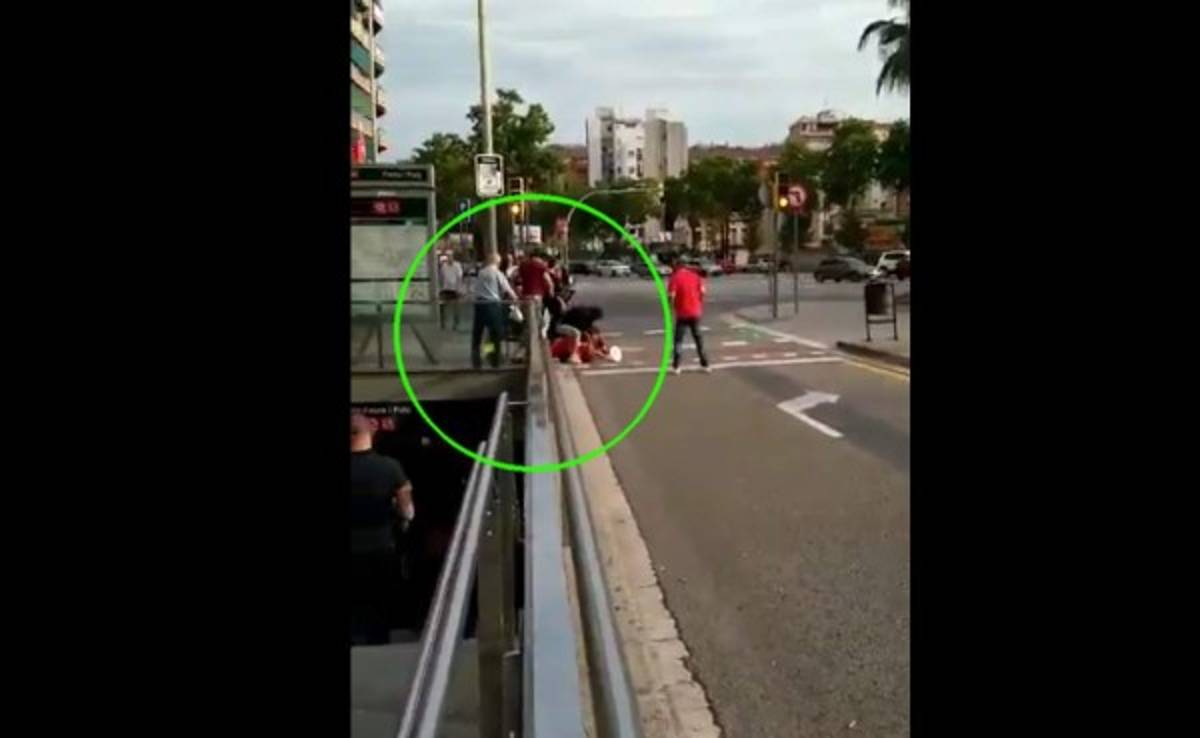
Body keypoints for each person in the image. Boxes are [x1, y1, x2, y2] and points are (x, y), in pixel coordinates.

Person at [351, 412, 415, 645]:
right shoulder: (390, 468)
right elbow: (407, 511)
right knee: (378, 603)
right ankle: (377, 641)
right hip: (380, 547)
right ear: (372, 431)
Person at [471, 252, 520, 369]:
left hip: (480, 304)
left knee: (478, 333)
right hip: (492, 305)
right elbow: (507, 288)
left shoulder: (481, 273)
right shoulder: (497, 273)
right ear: (497, 262)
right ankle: (494, 360)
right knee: (495, 334)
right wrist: (516, 299)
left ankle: (477, 358)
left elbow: (475, 289)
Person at [667, 254, 711, 374]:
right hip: (695, 312)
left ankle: (676, 366)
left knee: (678, 340)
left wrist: (670, 307)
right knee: (698, 339)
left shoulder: (675, 278)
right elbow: (703, 292)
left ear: (678, 265)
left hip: (682, 313)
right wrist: (699, 303)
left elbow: (671, 296)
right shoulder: (696, 276)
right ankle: (705, 364)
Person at [438, 252, 465, 331]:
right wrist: (441, 288)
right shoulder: (444, 266)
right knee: (443, 306)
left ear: (453, 257)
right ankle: (443, 323)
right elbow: (441, 277)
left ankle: (456, 323)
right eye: (448, 257)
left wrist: (459, 289)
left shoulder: (457, 265)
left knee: (456, 307)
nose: (449, 258)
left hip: (455, 289)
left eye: (451, 257)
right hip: (445, 288)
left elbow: (459, 277)